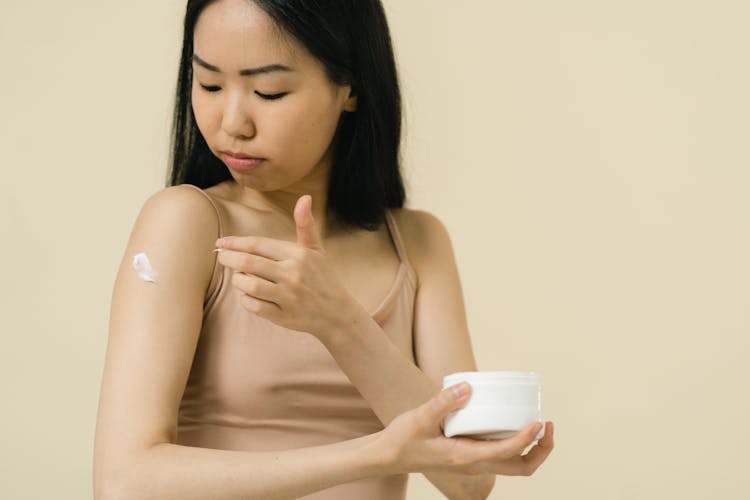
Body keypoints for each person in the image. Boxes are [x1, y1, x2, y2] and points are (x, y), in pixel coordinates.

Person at [92, 0, 555, 498]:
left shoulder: (418, 244)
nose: (232, 123)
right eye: (208, 84)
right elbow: (124, 482)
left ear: (350, 86)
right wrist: (376, 454)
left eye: (269, 91)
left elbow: (469, 480)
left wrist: (340, 322)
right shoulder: (188, 224)